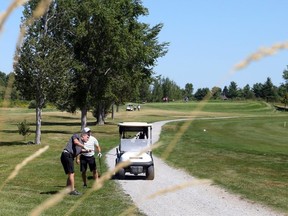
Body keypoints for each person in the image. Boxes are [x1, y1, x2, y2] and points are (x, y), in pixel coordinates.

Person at [60, 130, 92, 195]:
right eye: (87, 137)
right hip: (67, 154)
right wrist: (84, 147)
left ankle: (68, 189)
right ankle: (72, 190)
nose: (88, 139)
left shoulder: (82, 144)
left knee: (70, 173)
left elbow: (79, 151)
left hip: (69, 156)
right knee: (71, 174)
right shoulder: (76, 136)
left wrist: (87, 151)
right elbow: (76, 142)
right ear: (83, 136)